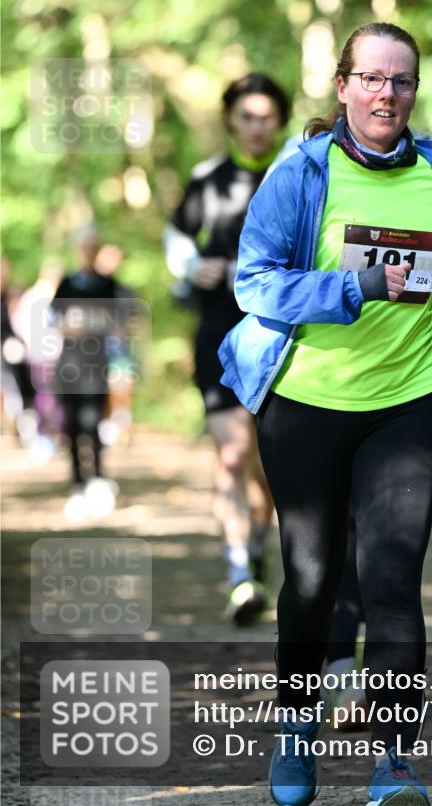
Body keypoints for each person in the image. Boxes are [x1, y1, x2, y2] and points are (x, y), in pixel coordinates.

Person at [219, 22, 432, 806]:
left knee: (393, 578)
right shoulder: (301, 172)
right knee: (309, 579)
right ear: (342, 87)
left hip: (407, 399)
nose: (386, 94)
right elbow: (254, 281)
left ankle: (394, 761)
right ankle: (296, 727)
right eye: (371, 78)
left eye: (400, 81)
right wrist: (350, 289)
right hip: (306, 402)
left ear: (413, 91)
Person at [165, 73, 289, 625]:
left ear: (279, 121)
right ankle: (239, 574)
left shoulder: (295, 173)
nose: (256, 126)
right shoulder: (207, 178)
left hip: (281, 340)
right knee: (232, 455)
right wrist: (193, 266)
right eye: (246, 116)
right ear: (230, 120)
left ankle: (256, 548)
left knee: (265, 464)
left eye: (266, 117)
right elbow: (176, 235)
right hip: (218, 335)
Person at [50, 225, 131, 520]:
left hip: (97, 366)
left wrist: (93, 324)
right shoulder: (66, 284)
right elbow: (55, 322)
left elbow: (121, 324)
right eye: (85, 246)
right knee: (72, 425)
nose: (89, 251)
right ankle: (77, 481)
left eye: (92, 246)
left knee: (94, 422)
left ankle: (97, 478)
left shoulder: (108, 285)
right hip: (69, 366)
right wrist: (74, 325)